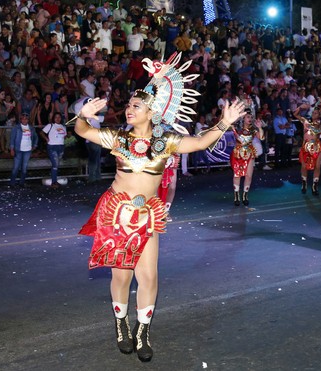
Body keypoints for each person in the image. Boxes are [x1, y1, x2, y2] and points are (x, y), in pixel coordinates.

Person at [74, 53, 245, 361]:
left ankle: (142, 333)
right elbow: (83, 131)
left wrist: (224, 123)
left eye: (136, 106)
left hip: (146, 215)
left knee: (149, 277)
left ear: (151, 112)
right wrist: (83, 115)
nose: (128, 109)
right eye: (128, 105)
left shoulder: (165, 141)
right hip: (117, 214)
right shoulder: (118, 138)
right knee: (121, 276)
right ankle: (121, 325)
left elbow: (199, 143)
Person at [229, 114, 265, 206]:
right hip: (238, 154)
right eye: (248, 117)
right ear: (243, 118)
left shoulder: (253, 129)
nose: (250, 119)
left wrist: (259, 127)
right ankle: (236, 196)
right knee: (237, 175)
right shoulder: (237, 128)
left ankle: (245, 196)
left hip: (249, 153)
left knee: (249, 176)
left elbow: (261, 138)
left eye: (251, 117)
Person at [9, 111, 37, 187]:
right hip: (18, 149)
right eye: (23, 118)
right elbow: (12, 138)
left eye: (26, 119)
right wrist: (12, 149)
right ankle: (12, 183)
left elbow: (35, 137)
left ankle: (22, 182)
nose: (24, 120)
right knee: (16, 167)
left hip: (28, 150)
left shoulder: (31, 128)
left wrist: (34, 145)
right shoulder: (16, 127)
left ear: (28, 120)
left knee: (24, 167)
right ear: (21, 119)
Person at [40, 112, 67, 188]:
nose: (57, 119)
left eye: (59, 117)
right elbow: (41, 132)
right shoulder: (50, 125)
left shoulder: (63, 126)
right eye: (56, 117)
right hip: (52, 146)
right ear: (53, 118)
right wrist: (46, 139)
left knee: (57, 164)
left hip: (61, 146)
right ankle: (54, 182)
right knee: (55, 164)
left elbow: (64, 136)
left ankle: (54, 180)